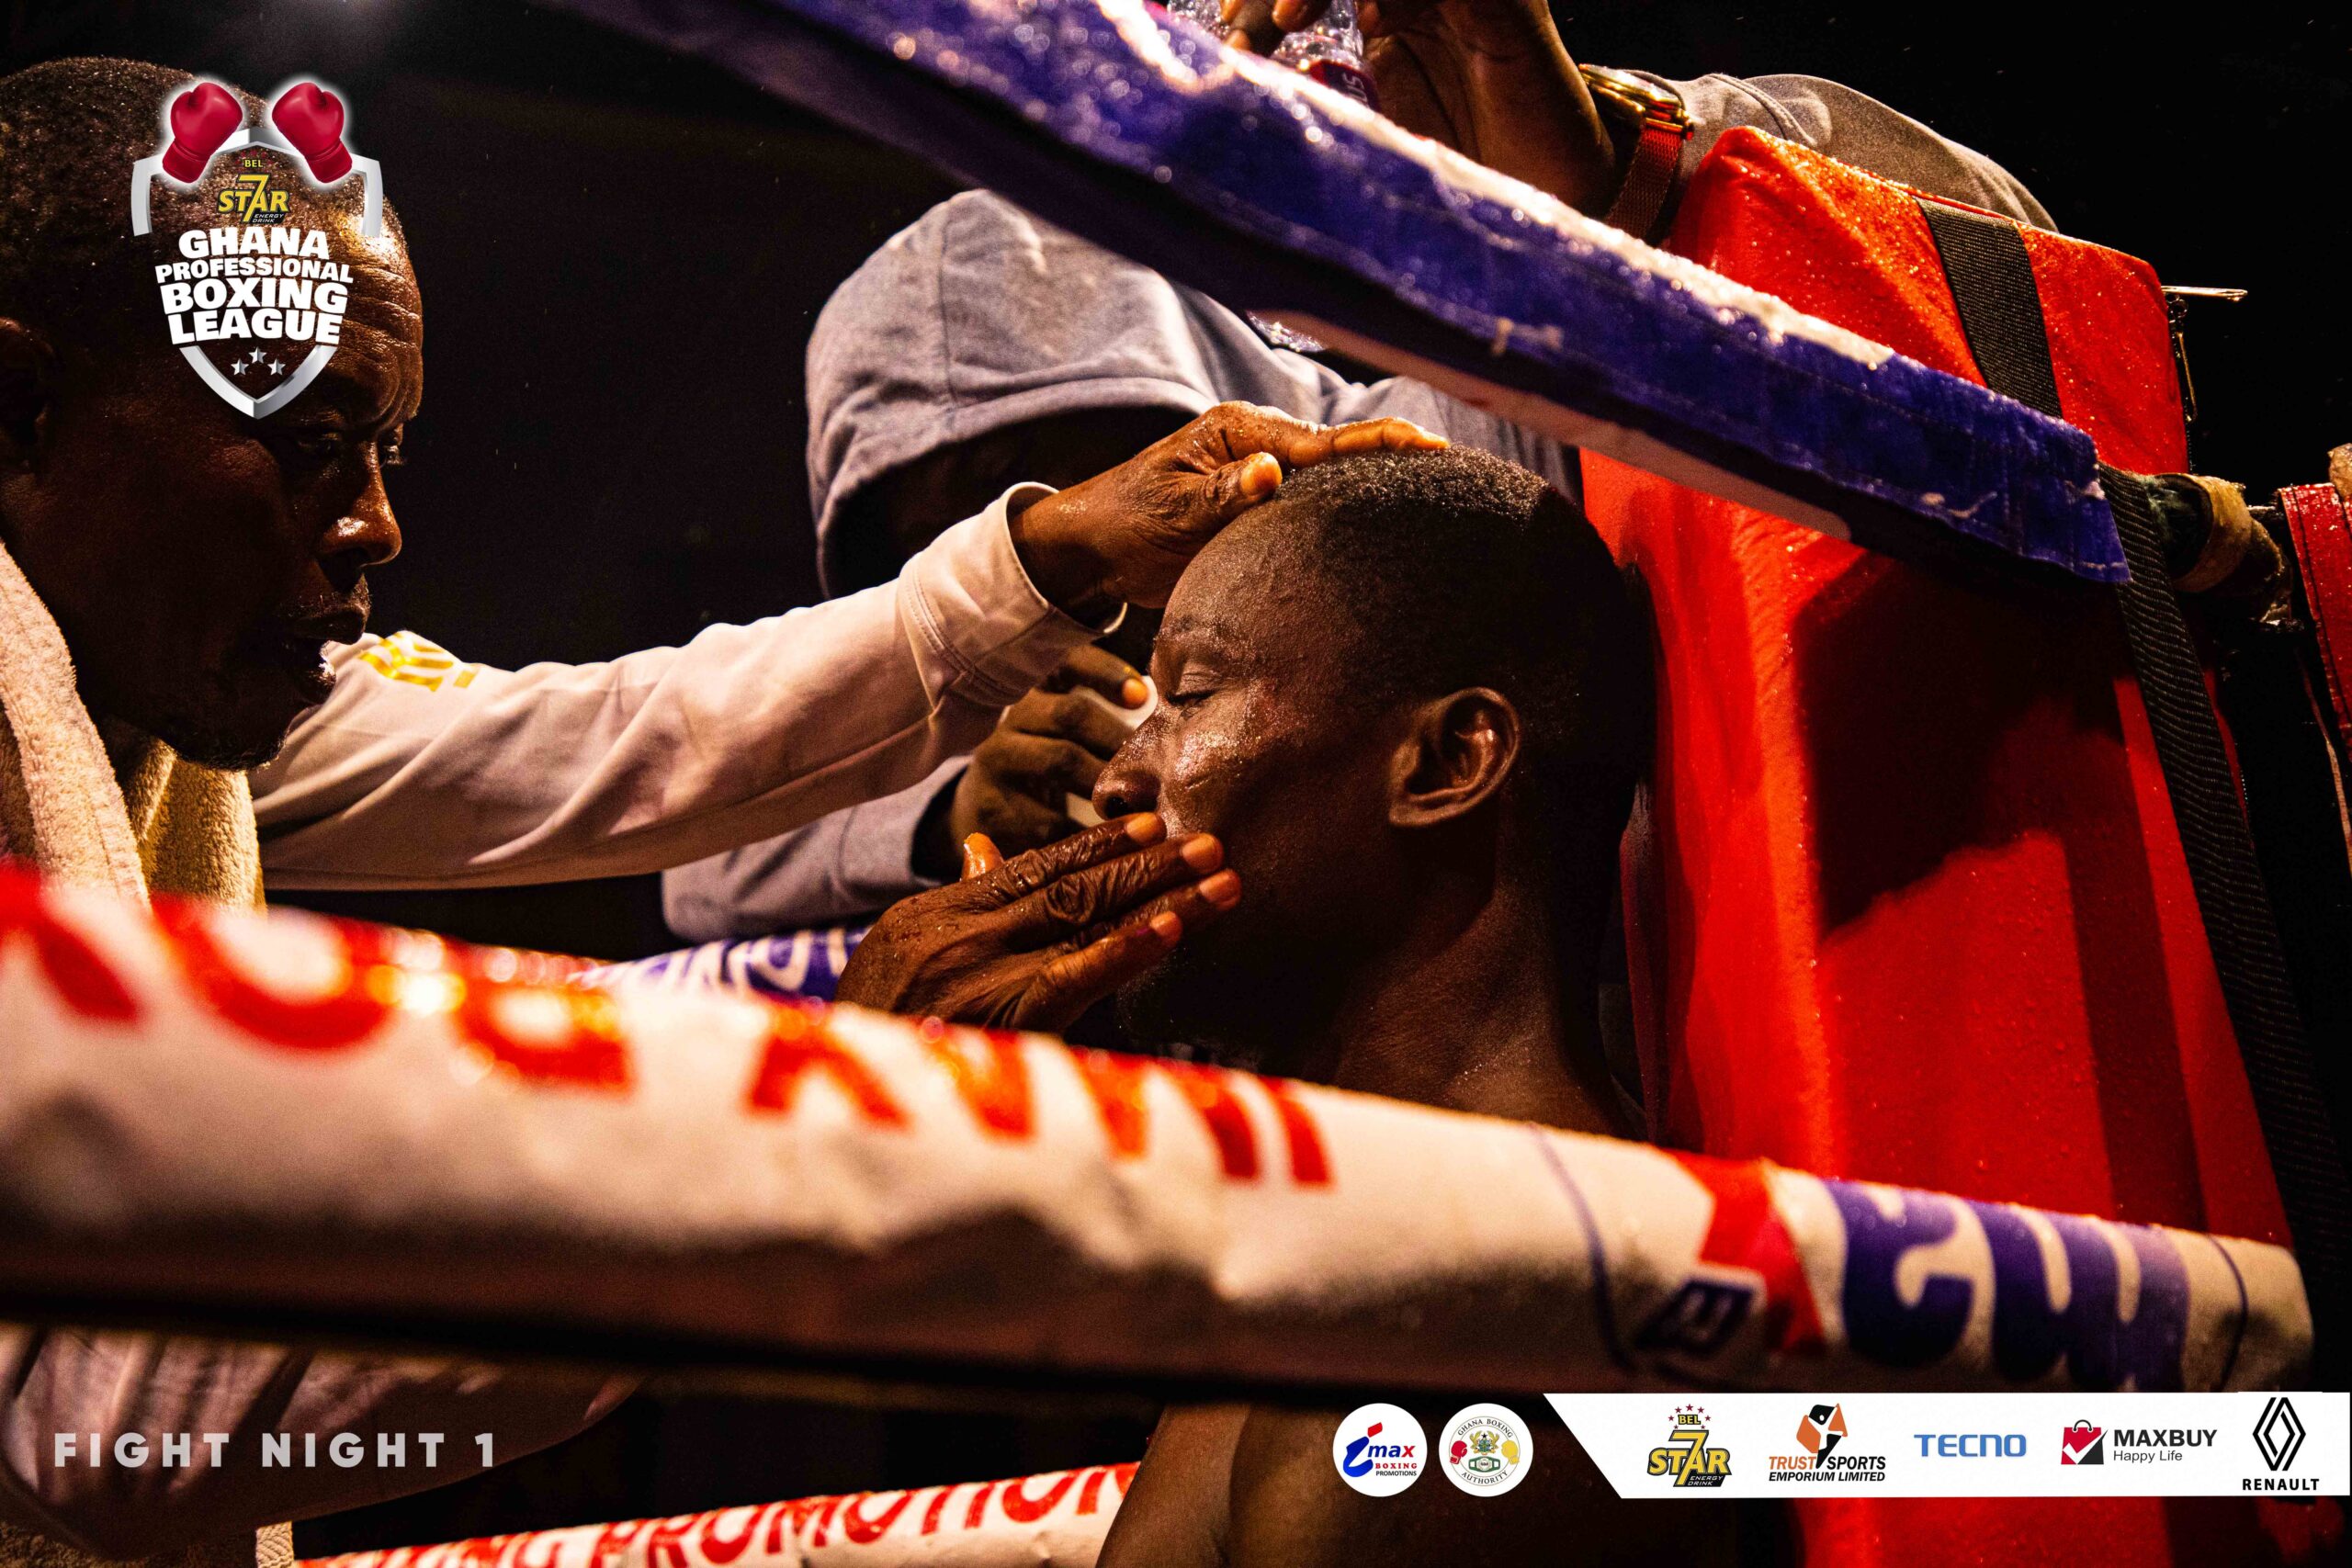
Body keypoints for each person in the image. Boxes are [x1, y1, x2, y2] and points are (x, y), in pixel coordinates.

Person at [0, 55, 1437, 1563]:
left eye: (387, 450)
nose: (379, 523)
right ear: (22, 407)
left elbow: (613, 738)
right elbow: (85, 1425)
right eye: (305, 441)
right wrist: (826, 1101)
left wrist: (1049, 558)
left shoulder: (164, 691)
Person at [663, 10, 2049, 944]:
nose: (1059, 550)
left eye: (1071, 475)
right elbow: (691, 851)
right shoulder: (1010, 731)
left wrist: (1604, 193)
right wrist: (940, 813)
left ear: (1226, 415)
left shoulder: (1436, 452)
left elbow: (2004, 285)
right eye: (960, 532)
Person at [833, 444, 1683, 1563]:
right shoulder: (1359, 1255)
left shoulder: (1474, 1329)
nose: (1117, 779)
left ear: (1446, 762)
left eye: (1189, 694)